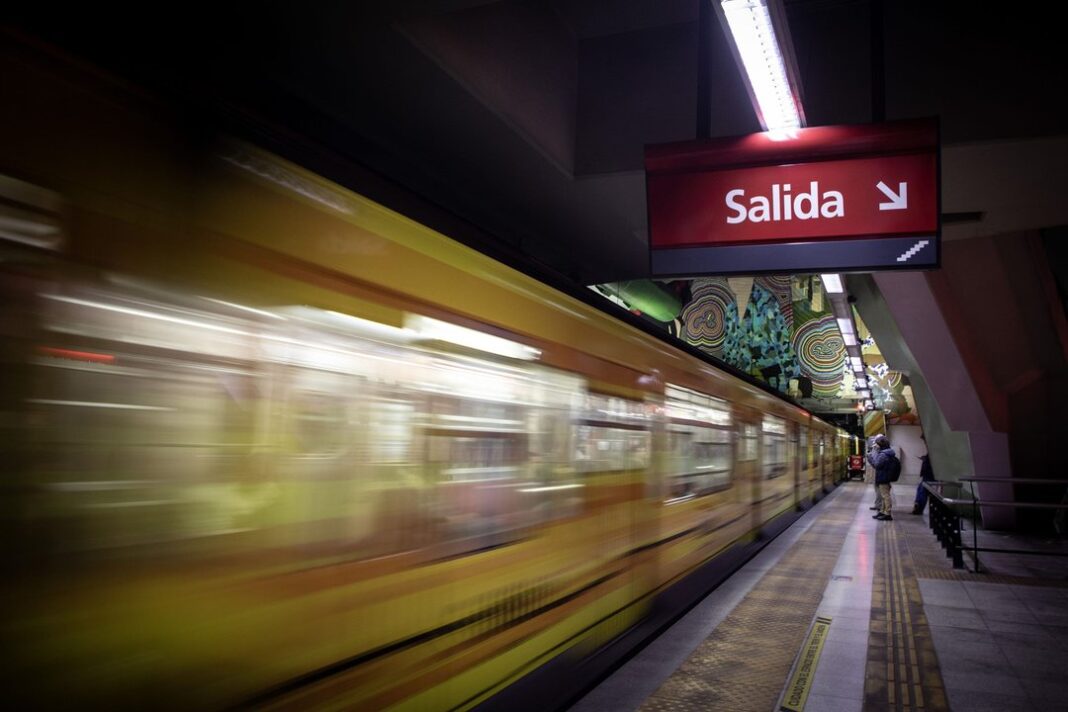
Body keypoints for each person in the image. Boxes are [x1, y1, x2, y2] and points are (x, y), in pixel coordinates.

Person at [867, 435, 898, 521]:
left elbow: (876, 465)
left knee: (885, 495)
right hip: (885, 476)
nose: (876, 446)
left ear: (881, 444)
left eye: (877, 444)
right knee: (884, 495)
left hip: (883, 477)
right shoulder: (888, 453)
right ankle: (882, 511)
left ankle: (887, 513)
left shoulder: (883, 455)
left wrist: (870, 458)